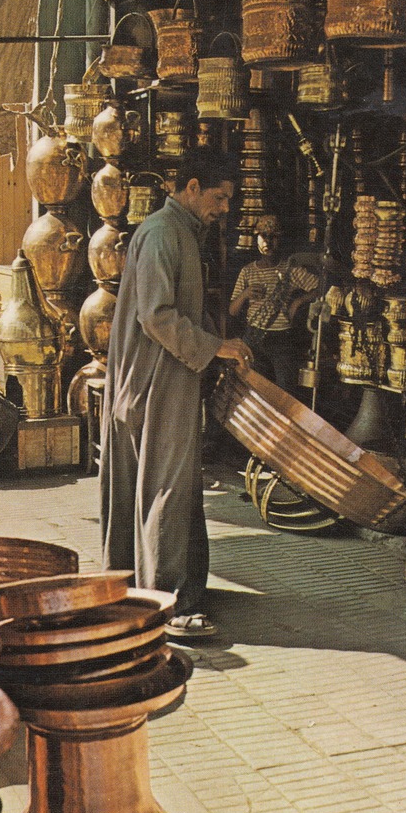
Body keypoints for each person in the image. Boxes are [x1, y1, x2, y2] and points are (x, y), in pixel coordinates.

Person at [100, 149, 253, 640]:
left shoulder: (178, 232)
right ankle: (167, 602)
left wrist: (216, 343)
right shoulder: (166, 233)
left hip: (156, 375)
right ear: (190, 187)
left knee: (163, 482)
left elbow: (176, 309)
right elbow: (157, 315)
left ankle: (142, 587)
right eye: (218, 196)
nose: (224, 207)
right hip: (155, 378)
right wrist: (213, 345)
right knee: (167, 484)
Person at [228, 214, 318, 392]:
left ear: (280, 239)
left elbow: (320, 288)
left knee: (285, 391)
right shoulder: (247, 271)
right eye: (263, 236)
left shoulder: (290, 269)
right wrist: (245, 294)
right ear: (256, 238)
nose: (268, 241)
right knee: (253, 387)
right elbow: (232, 310)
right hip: (253, 337)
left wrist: (299, 301)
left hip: (281, 340)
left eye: (273, 236)